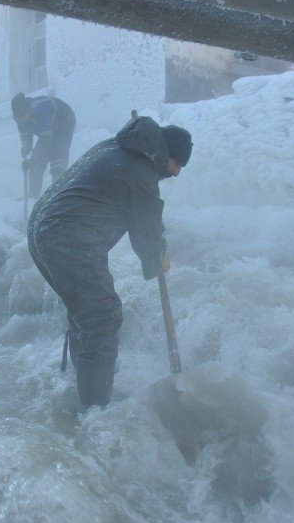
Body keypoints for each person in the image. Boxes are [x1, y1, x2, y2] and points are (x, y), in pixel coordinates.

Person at [27, 114, 193, 407]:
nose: (177, 172)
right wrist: (156, 255)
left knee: (86, 314)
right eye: (178, 163)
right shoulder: (140, 171)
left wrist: (152, 250)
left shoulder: (113, 148)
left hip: (41, 229)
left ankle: (84, 388)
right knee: (102, 317)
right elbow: (147, 227)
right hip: (66, 236)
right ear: (165, 154)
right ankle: (96, 409)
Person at [11, 92, 76, 198]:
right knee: (37, 161)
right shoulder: (20, 117)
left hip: (64, 122)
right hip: (46, 131)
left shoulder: (41, 108)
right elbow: (25, 134)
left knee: (58, 155)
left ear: (28, 109)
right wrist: (26, 148)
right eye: (20, 118)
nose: (23, 119)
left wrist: (34, 159)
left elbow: (46, 139)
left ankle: (58, 194)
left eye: (24, 116)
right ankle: (33, 194)